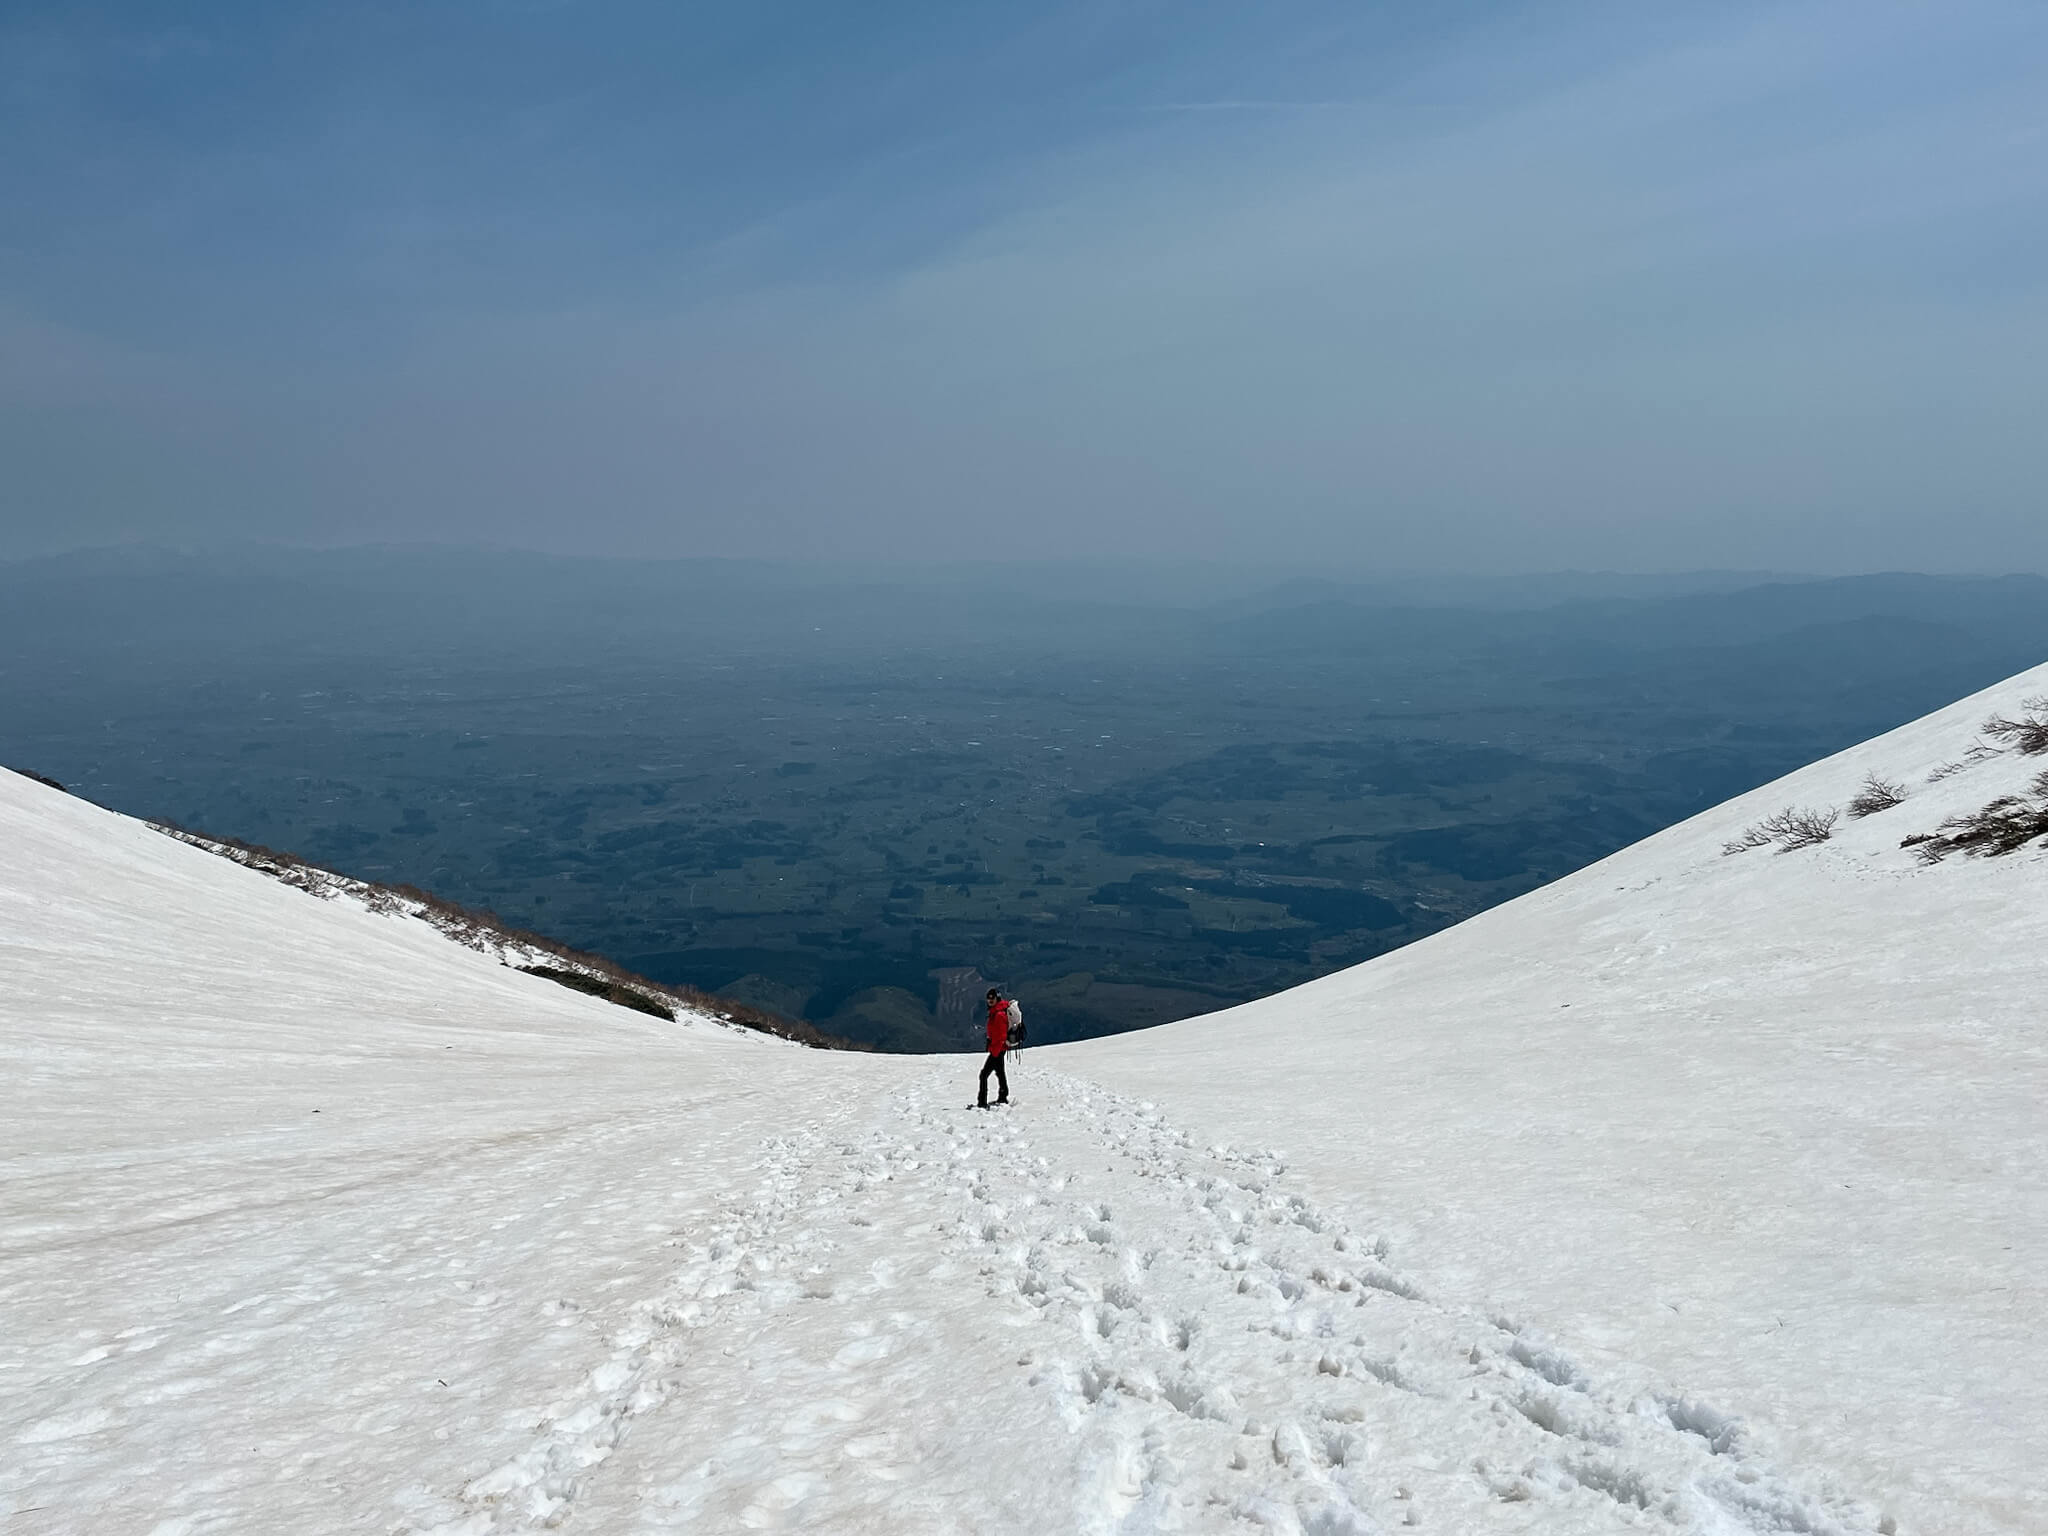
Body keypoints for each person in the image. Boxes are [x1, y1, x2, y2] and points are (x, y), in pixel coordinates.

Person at [977, 987, 1010, 1108]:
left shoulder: (999, 1014)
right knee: (1000, 1072)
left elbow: (1002, 1035)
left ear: (997, 998)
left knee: (983, 1074)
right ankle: (1003, 1096)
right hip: (999, 1049)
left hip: (998, 1049)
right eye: (988, 998)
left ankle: (982, 1102)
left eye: (993, 998)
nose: (990, 1000)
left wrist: (994, 1051)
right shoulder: (995, 1011)